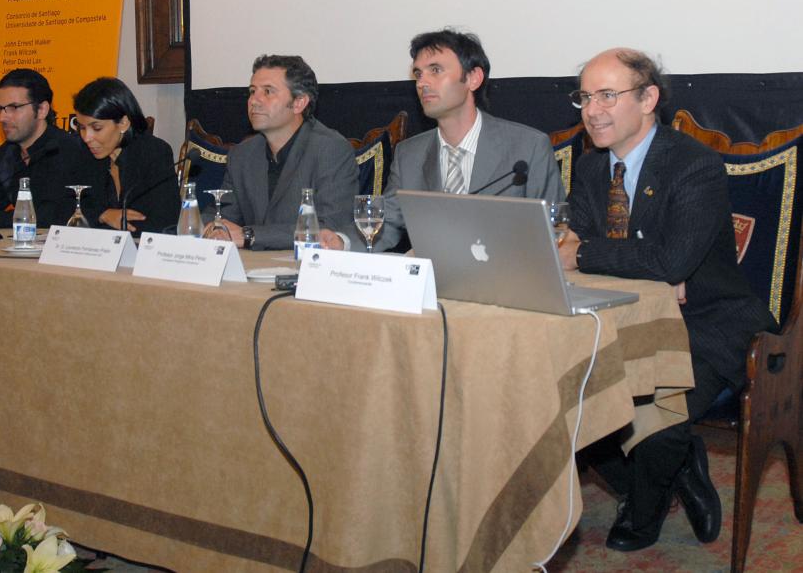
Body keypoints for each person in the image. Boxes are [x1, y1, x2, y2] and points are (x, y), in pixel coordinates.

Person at [558, 48, 776, 551]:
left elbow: (669, 262)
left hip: (708, 319)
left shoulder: (694, 165)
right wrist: (642, 262)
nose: (593, 110)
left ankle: (646, 500)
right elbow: (643, 260)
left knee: (655, 412)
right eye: (586, 97)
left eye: (608, 95)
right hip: (623, 318)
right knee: (566, 389)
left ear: (649, 98)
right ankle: (676, 473)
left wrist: (592, 252)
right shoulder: (592, 171)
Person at [322, 28, 564, 252]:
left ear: (473, 78)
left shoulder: (527, 147)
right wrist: (340, 242)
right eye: (418, 73)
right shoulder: (409, 154)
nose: (422, 83)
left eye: (435, 70)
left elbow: (553, 232)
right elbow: (387, 222)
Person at [204, 54, 359, 250]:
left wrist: (250, 235)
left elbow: (329, 227)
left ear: (299, 103)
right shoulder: (242, 155)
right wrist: (213, 228)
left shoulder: (330, 149)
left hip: (305, 270)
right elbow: (221, 215)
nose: (254, 101)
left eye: (268, 92)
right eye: (252, 91)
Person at [0, 69, 96, 230]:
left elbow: (52, 216)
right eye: (0, 108)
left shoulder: (68, 150)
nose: (2, 118)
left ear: (42, 110)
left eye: (13, 108)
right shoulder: (8, 152)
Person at [73, 77, 179, 234]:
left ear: (123, 123)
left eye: (96, 128)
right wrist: (102, 215)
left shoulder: (154, 152)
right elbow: (62, 207)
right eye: (81, 127)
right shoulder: (83, 152)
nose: (87, 137)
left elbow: (164, 221)